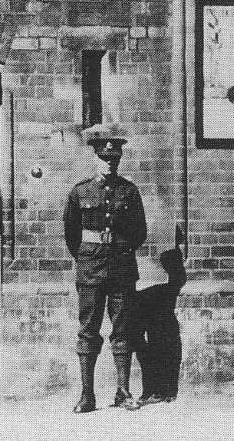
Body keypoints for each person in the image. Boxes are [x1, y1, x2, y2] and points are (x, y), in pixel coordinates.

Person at [64, 124, 148, 413]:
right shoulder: (80, 192)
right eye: (104, 158)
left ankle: (123, 391)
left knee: (122, 330)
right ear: (95, 158)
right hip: (90, 269)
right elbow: (71, 235)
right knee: (88, 330)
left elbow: (140, 231)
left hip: (122, 268)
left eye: (114, 159)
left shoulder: (129, 191)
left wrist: (121, 249)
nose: (110, 163)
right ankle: (87, 395)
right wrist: (88, 256)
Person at [136, 248, 187, 405]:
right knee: (146, 343)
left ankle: (166, 390)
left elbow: (178, 278)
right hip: (142, 298)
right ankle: (153, 389)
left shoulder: (171, 276)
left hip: (159, 304)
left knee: (166, 342)